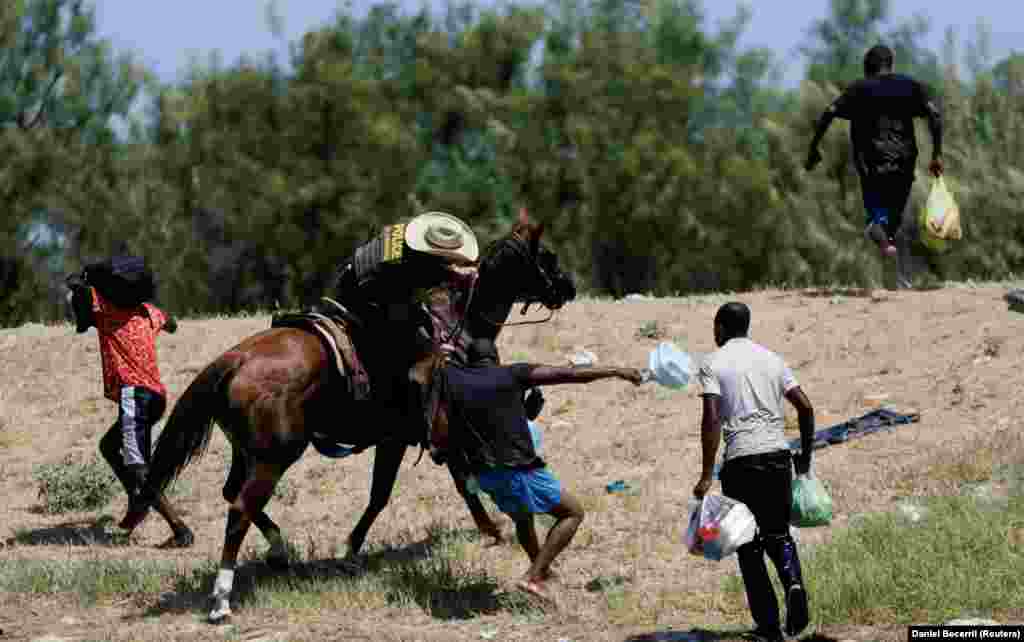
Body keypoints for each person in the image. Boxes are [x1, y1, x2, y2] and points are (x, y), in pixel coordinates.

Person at [428, 338, 644, 601]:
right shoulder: (511, 373)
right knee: (572, 513)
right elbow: (568, 374)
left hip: (485, 475)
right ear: (496, 357)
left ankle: (541, 571)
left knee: (523, 518)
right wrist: (617, 370)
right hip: (518, 469)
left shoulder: (453, 380)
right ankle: (533, 575)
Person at [693, 302, 816, 642]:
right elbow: (805, 406)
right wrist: (804, 456)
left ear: (719, 327)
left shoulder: (712, 363)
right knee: (779, 534)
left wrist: (706, 473)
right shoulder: (772, 359)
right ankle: (793, 584)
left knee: (748, 545)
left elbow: (712, 418)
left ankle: (769, 627)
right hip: (778, 455)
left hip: (741, 461)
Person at [805, 44, 943, 268]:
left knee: (875, 220)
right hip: (903, 162)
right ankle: (896, 258)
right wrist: (937, 155)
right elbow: (934, 115)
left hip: (872, 164)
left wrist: (814, 147)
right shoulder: (910, 86)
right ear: (890, 65)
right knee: (893, 220)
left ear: (867, 67)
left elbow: (830, 111)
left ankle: (882, 239)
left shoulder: (859, 88)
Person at [69, 259, 180, 531]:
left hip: (134, 395)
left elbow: (79, 291)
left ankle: (179, 528)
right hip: (156, 396)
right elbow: (173, 324)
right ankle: (135, 498)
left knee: (138, 467)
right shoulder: (149, 312)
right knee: (109, 445)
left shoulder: (106, 309)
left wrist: (85, 276)